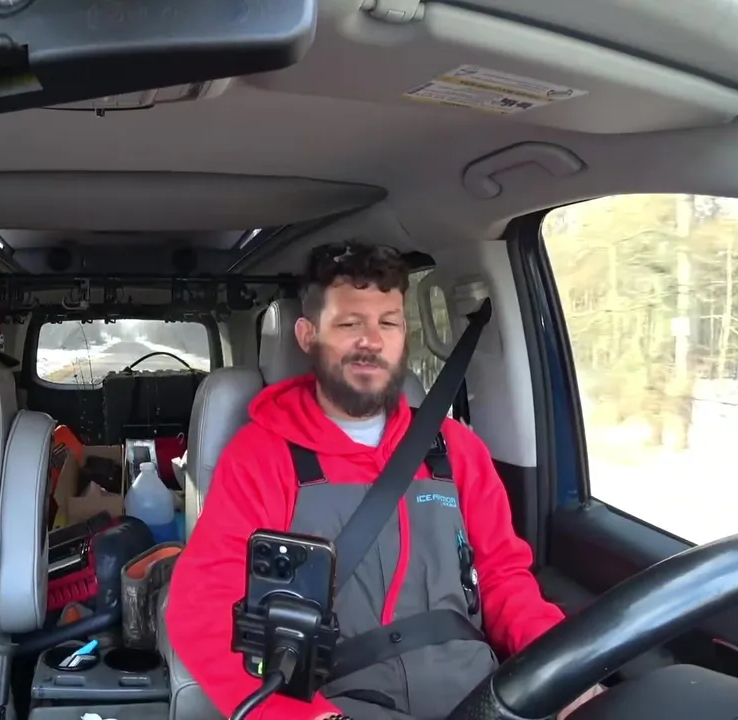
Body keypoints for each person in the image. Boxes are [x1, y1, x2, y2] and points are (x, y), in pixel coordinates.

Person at [165, 243, 603, 719]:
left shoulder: (456, 449)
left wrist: (563, 672)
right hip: (338, 705)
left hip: (479, 699)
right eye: (349, 324)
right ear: (308, 335)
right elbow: (202, 611)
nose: (371, 341)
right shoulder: (261, 457)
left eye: (388, 323)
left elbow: (503, 580)